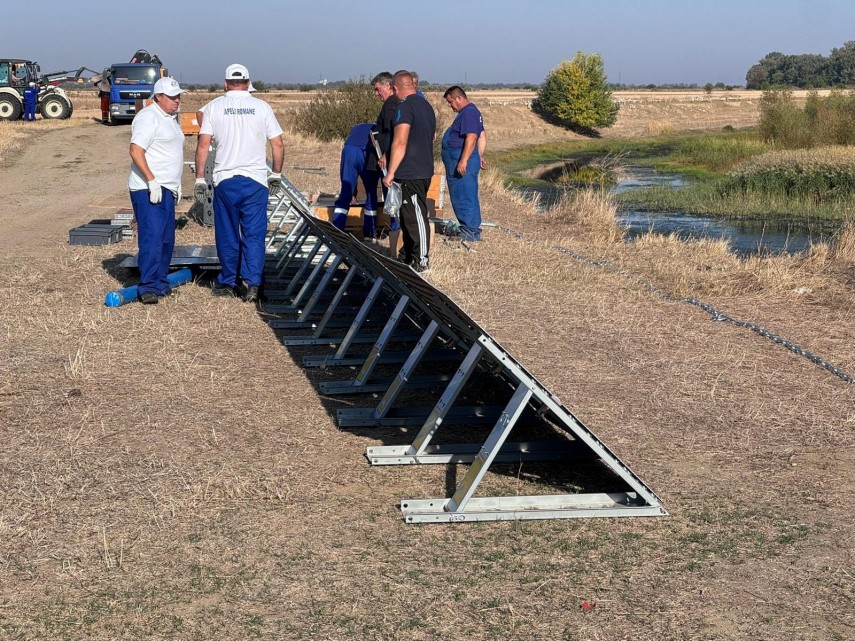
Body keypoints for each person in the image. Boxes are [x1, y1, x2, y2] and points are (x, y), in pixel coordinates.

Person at [194, 63, 284, 303]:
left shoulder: (214, 107)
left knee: (227, 233)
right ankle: (253, 284)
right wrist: (275, 173)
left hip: (225, 180)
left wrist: (200, 178)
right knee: (254, 234)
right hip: (255, 180)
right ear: (247, 82)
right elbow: (277, 144)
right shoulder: (261, 107)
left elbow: (203, 144)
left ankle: (228, 281)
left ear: (225, 83)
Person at [127, 77, 186, 304]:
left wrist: (176, 183)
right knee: (152, 238)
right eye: (172, 97)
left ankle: (161, 282)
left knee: (166, 239)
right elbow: (135, 150)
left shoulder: (170, 119)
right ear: (158, 97)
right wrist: (151, 181)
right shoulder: (148, 117)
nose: (176, 100)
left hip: (167, 188)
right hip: (148, 188)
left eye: (178, 96)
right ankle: (148, 286)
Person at [382, 70, 436, 273]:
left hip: (412, 170)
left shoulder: (404, 107)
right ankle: (407, 256)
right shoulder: (426, 106)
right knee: (406, 215)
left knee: (416, 215)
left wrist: (390, 172)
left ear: (396, 88)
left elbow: (400, 141)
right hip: (423, 167)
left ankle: (422, 259)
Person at [441, 86, 486, 242]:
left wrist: (464, 160)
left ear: (459, 98)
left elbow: (472, 137)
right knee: (467, 194)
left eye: (451, 102)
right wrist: (479, 155)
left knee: (463, 195)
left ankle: (468, 232)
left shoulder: (468, 113)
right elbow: (482, 135)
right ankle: (471, 231)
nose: (450, 106)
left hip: (461, 160)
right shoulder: (470, 112)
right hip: (463, 158)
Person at [333, 122, 381, 240]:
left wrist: (352, 191)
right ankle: (370, 233)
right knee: (371, 192)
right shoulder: (378, 128)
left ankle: (337, 230)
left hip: (348, 150)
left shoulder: (356, 127)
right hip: (366, 152)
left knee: (345, 192)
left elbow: (344, 172)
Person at [371, 71, 402, 233]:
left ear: (388, 86)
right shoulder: (394, 102)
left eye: (377, 89)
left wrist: (386, 154)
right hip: (390, 156)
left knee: (391, 193)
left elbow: (393, 131)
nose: (376, 94)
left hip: (389, 159)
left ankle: (396, 228)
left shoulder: (390, 104)